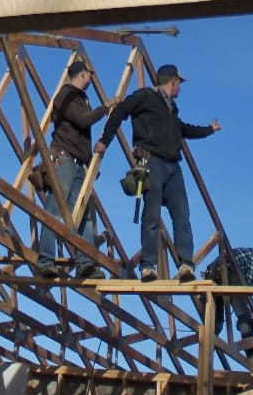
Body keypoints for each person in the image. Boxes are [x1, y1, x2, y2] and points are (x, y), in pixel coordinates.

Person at [94, 66, 220, 282]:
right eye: (179, 82)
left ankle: (185, 266)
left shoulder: (171, 109)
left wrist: (209, 129)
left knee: (182, 216)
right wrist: (105, 140)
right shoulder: (146, 97)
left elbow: (184, 130)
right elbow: (120, 111)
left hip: (173, 166)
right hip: (151, 161)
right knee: (151, 215)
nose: (180, 87)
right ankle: (148, 267)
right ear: (172, 81)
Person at [38, 59, 107, 280]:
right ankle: (46, 261)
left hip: (78, 163)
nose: (91, 79)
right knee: (55, 210)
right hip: (64, 159)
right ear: (83, 74)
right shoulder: (65, 96)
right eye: (89, 74)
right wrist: (105, 108)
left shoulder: (81, 98)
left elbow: (82, 132)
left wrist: (89, 162)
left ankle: (85, 263)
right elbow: (83, 120)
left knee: (84, 214)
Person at [206, 244, 253, 343]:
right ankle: (251, 354)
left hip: (214, 274)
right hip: (225, 274)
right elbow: (248, 288)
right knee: (245, 317)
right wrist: (251, 317)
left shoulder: (252, 254)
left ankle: (210, 340)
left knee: (216, 324)